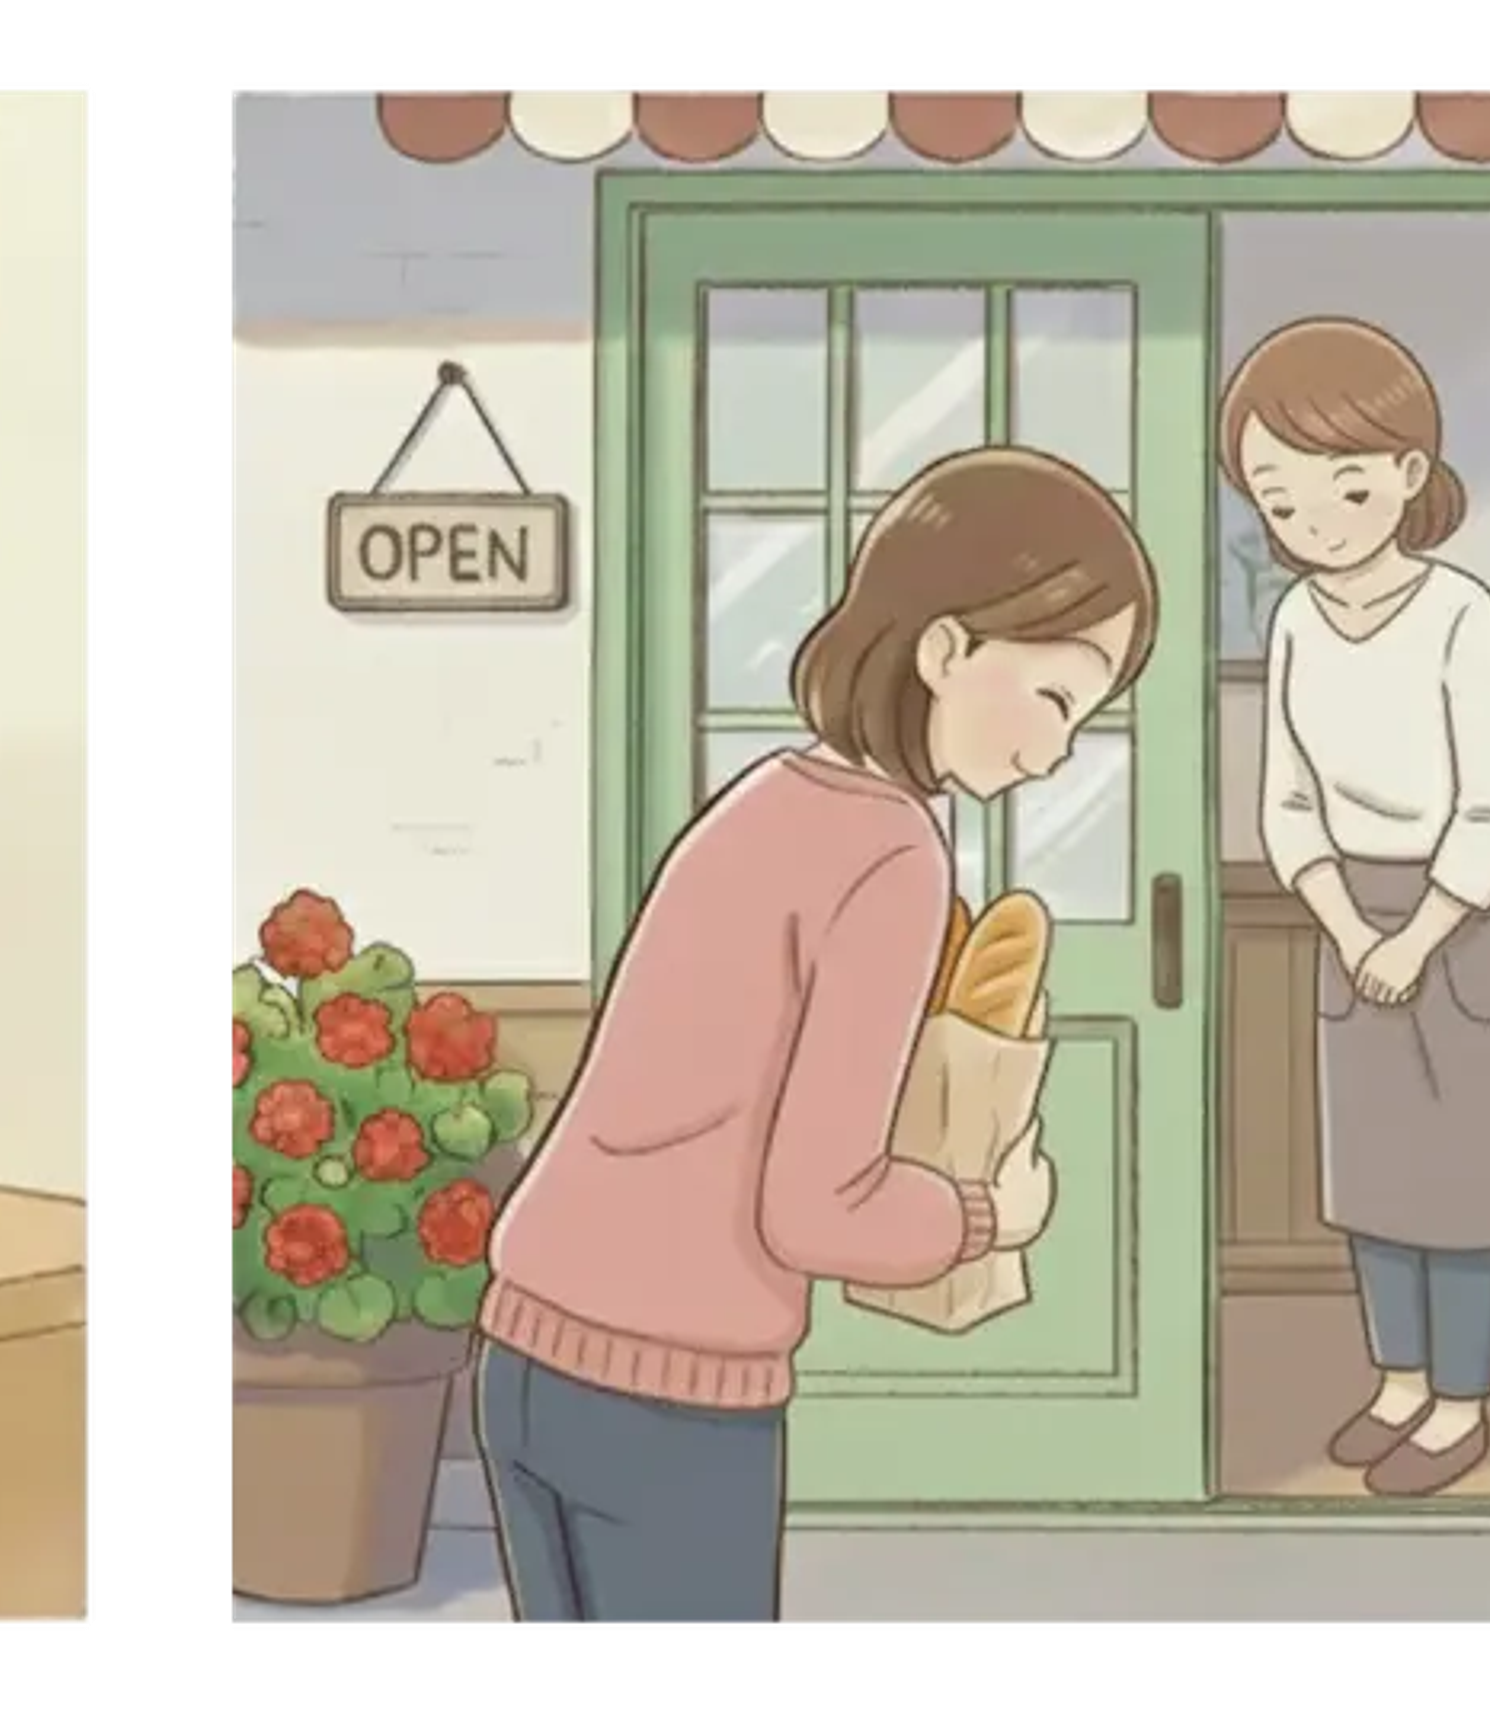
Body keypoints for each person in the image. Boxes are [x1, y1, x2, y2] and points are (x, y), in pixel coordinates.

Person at [473, 446, 1148, 1626]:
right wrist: (994, 1212)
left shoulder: (766, 801)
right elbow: (817, 1207)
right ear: (948, 648)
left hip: (527, 1355)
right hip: (669, 1397)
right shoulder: (891, 855)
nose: (1055, 751)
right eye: (1057, 696)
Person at [1227, 316, 1490, 1499]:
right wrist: (1346, 921)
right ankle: (1399, 1381)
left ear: (1410, 476)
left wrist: (1418, 933)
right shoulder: (1294, 622)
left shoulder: (1460, 612)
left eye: (1344, 485)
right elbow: (1286, 800)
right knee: (1371, 1174)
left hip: (1464, 921)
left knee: (1464, 1182)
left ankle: (1463, 1398)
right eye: (1278, 497)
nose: (1310, 520)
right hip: (1350, 918)